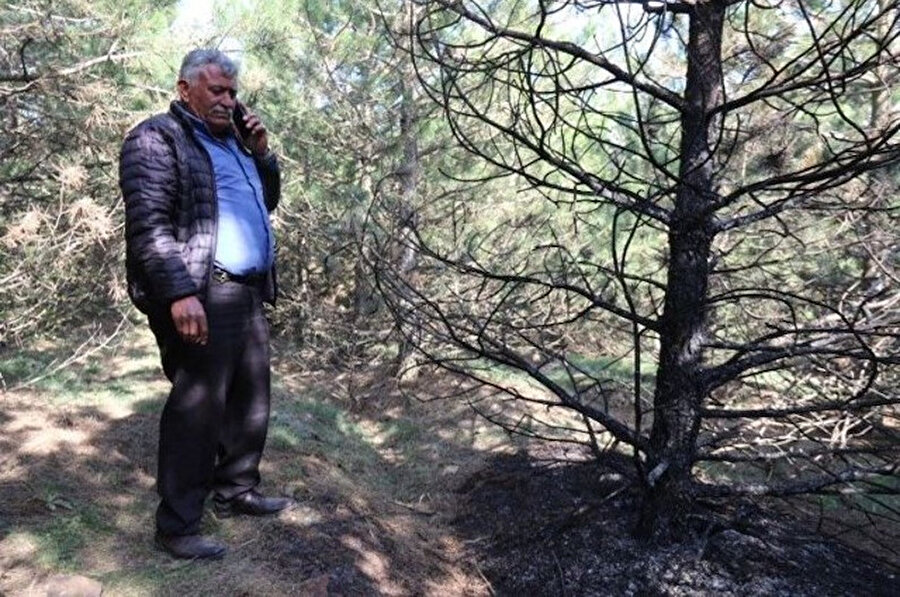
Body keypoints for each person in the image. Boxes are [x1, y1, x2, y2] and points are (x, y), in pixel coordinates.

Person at [120, 48, 293, 560]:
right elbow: (148, 226)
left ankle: (236, 489)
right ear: (185, 89)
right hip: (200, 288)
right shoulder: (156, 138)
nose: (227, 100)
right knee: (198, 408)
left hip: (246, 289)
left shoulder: (235, 144)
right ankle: (177, 525)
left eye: (232, 93)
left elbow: (267, 201)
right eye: (216, 90)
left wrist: (261, 153)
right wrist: (179, 294)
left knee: (250, 398)